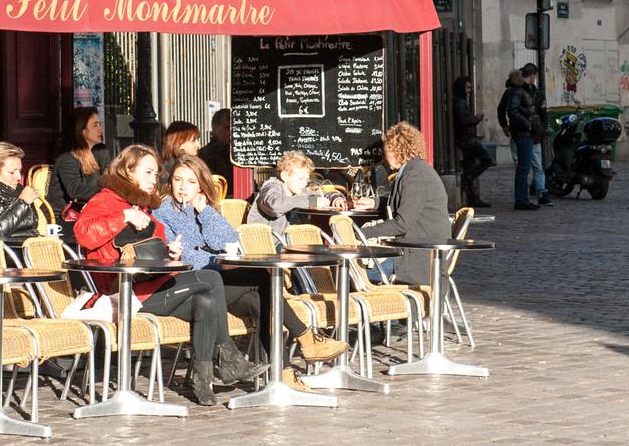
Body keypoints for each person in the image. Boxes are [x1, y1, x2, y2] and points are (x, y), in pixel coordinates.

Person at [74, 145, 262, 405]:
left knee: (206, 301)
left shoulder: (141, 204)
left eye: (157, 173)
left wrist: (168, 251)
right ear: (128, 171)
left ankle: (203, 380)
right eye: (149, 172)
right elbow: (83, 232)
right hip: (124, 293)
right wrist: (123, 215)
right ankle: (229, 358)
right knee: (211, 278)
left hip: (150, 286)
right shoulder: (107, 200)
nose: (156, 179)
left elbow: (148, 248)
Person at [155, 154, 346, 372]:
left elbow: (228, 241)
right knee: (263, 278)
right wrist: (217, 260)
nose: (182, 187)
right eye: (178, 180)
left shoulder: (204, 208)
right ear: (170, 182)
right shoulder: (163, 212)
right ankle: (306, 339)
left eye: (191, 182)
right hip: (193, 285)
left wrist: (205, 211)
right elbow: (183, 256)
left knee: (261, 301)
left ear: (200, 185)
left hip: (218, 280)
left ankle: (283, 373)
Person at [364, 121, 451, 289]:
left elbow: (402, 223)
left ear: (397, 150)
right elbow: (407, 205)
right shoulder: (415, 170)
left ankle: (384, 312)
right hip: (417, 250)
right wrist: (374, 203)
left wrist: (362, 233)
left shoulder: (415, 176)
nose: (384, 156)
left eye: (386, 150)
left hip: (418, 256)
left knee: (355, 273)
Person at [49, 106, 110, 223]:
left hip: (90, 212)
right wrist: (106, 192)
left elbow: (110, 177)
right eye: (95, 125)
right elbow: (74, 189)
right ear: (82, 131)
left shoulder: (101, 152)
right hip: (64, 217)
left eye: (99, 124)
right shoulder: (66, 158)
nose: (100, 130)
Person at [246, 150, 325, 232]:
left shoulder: (298, 190)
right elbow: (275, 206)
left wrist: (335, 198)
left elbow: (321, 195)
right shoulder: (271, 188)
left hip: (285, 241)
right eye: (301, 179)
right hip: (262, 241)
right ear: (285, 176)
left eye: (307, 180)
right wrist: (311, 201)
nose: (305, 183)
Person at [452, 76, 492, 208]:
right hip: (466, 139)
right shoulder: (459, 102)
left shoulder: (462, 101)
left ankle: (473, 197)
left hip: (466, 138)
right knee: (487, 159)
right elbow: (464, 120)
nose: (469, 91)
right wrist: (476, 119)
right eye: (467, 88)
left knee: (470, 165)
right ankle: (468, 178)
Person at [503, 70, 540, 211]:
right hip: (523, 133)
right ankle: (521, 200)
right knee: (523, 168)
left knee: (524, 168)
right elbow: (512, 111)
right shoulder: (517, 92)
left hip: (522, 132)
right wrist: (528, 124)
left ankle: (523, 199)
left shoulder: (515, 91)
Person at [520, 63, 551, 205]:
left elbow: (544, 114)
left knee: (533, 166)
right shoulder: (518, 92)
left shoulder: (537, 94)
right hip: (523, 134)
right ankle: (526, 194)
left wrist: (542, 129)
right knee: (527, 166)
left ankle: (539, 191)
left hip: (532, 135)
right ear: (533, 76)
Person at [199, 107, 233, 180]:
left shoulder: (237, 153)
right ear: (215, 129)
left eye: (235, 128)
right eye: (227, 127)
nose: (232, 132)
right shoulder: (205, 155)